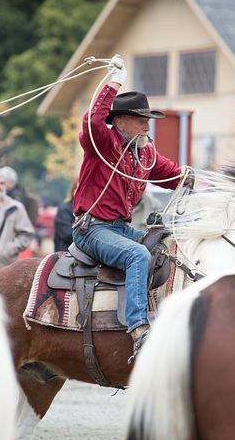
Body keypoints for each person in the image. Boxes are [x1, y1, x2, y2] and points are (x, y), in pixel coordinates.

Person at [72, 54, 189, 356]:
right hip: (91, 229)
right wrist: (114, 82)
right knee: (138, 255)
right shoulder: (103, 142)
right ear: (120, 121)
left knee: (169, 246)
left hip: (119, 229)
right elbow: (92, 120)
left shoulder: (145, 154)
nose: (146, 126)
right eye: (141, 120)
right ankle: (139, 329)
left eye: (147, 120)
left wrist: (198, 180)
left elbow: (175, 175)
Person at [54, 176, 78, 252]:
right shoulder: (64, 209)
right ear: (73, 190)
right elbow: (68, 234)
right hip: (66, 254)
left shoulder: (90, 210)